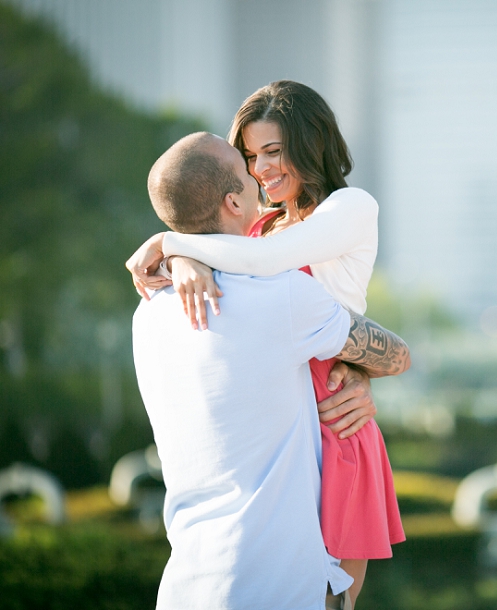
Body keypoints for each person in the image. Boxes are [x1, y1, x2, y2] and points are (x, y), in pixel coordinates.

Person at [126, 81, 402, 606]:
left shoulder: (349, 208)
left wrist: (168, 243)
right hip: (281, 422)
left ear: (310, 143)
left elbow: (264, 265)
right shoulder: (258, 228)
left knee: (328, 597)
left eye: (273, 151)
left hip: (336, 420)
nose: (261, 169)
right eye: (251, 156)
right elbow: (223, 243)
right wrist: (185, 258)